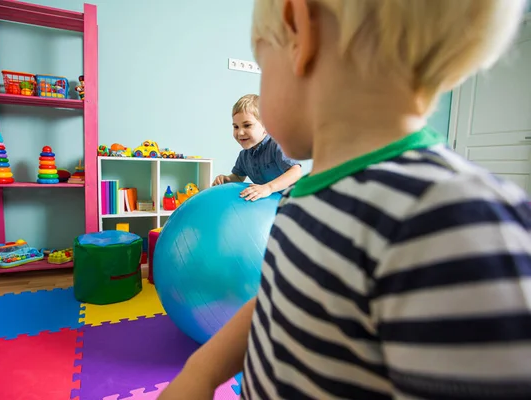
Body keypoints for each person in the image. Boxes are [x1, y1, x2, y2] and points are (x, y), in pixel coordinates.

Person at [162, 0, 531, 399]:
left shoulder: (458, 220)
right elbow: (276, 298)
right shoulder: (302, 196)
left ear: (299, 29)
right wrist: (201, 371)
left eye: (262, 64)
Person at [212, 94, 302, 201]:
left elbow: (296, 173)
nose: (240, 132)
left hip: (295, 201)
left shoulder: (276, 145)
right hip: (272, 206)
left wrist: (268, 188)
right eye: (236, 127)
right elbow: (238, 177)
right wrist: (226, 179)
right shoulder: (244, 155)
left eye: (247, 125)